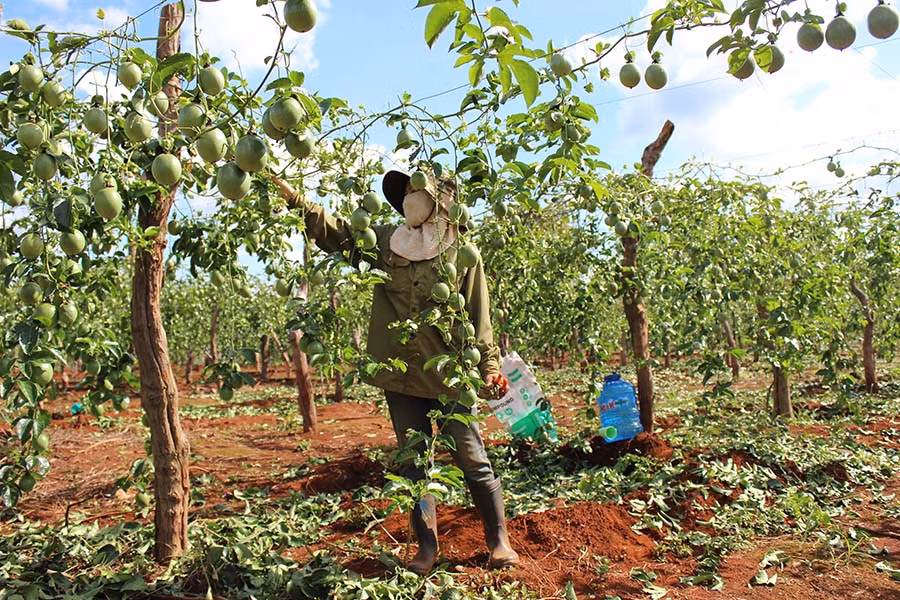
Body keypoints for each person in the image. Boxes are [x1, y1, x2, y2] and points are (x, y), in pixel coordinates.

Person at [273, 170, 520, 575]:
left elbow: (480, 318)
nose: (407, 197)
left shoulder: (462, 252)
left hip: (450, 375)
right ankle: (426, 549)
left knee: (472, 458)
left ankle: (499, 542)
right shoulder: (388, 241)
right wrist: (294, 198)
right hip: (401, 375)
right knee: (414, 461)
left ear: (439, 199)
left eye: (414, 189)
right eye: (404, 191)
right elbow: (339, 234)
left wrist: (489, 369)